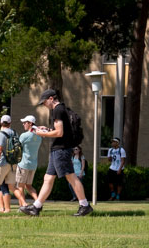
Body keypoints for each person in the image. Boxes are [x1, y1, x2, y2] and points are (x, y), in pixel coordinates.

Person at [19, 88, 93, 216]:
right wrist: (47, 129)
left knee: (71, 177)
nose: (44, 105)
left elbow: (59, 133)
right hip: (58, 150)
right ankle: (36, 207)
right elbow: (60, 131)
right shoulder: (61, 109)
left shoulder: (57, 110)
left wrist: (42, 133)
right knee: (48, 178)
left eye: (44, 102)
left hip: (61, 150)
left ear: (51, 99)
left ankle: (84, 205)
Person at [14, 115, 40, 207]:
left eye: (25, 122)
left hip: (23, 164)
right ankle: (38, 203)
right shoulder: (39, 136)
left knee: (20, 186)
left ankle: (23, 206)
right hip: (33, 164)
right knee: (29, 186)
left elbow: (17, 148)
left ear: (30, 123)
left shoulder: (24, 135)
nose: (23, 124)